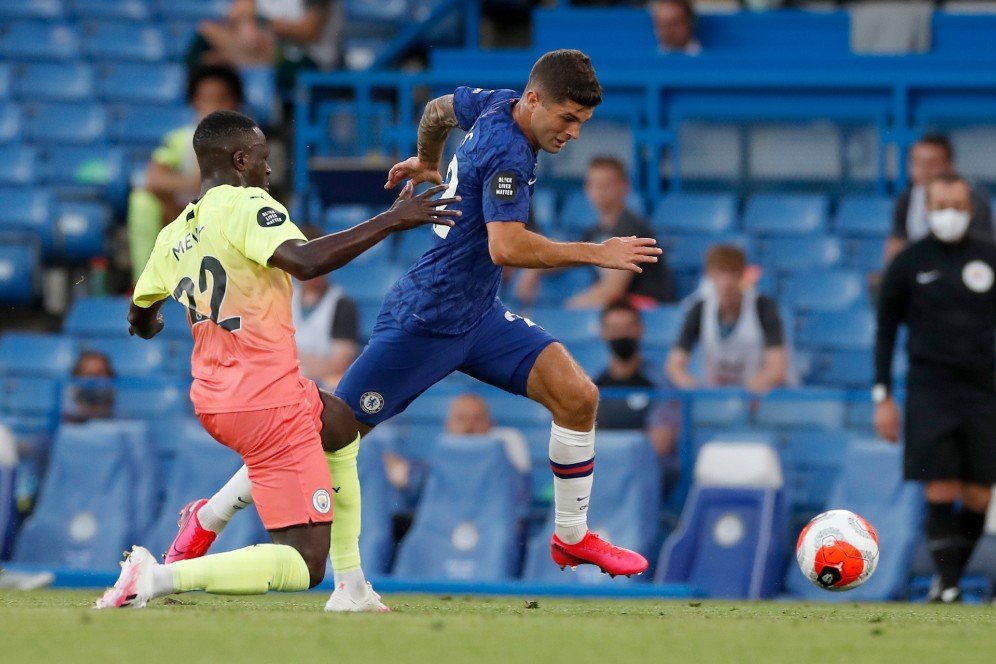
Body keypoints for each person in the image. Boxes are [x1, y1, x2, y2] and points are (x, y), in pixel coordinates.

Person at [176, 50, 659, 582]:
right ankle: (207, 516)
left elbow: (436, 110)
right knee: (323, 434)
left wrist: (427, 159)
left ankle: (571, 539)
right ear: (535, 100)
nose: (573, 133)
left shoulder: (494, 103)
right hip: (423, 320)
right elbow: (507, 247)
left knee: (578, 395)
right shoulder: (509, 156)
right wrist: (599, 252)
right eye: (567, 118)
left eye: (582, 123)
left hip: (478, 314)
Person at [94, 110, 460, 610]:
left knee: (340, 426)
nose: (269, 170)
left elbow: (138, 313)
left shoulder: (172, 233)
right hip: (265, 403)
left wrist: (149, 323)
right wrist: (392, 220)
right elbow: (307, 262)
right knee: (303, 564)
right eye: (264, 158)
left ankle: (351, 586)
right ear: (240, 159)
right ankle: (155, 578)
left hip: (214, 399)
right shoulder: (248, 206)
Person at [874, 172, 996, 604]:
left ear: (972, 208)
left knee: (980, 493)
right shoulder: (909, 262)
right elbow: (886, 330)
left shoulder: (990, 256)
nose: (950, 215)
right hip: (931, 389)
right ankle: (947, 585)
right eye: (941, 207)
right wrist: (883, 395)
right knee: (941, 485)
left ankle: (951, 579)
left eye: (957, 207)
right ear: (927, 210)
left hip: (985, 391)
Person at [127, 65, 244, 283]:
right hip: (185, 220)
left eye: (222, 99)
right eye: (207, 99)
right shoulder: (181, 140)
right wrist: (195, 183)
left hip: (227, 229)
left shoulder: (249, 143)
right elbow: (153, 178)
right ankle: (144, 288)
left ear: (235, 104)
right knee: (142, 201)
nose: (214, 107)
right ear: (195, 103)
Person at [517, 157, 674, 308]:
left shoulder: (631, 228)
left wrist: (569, 308)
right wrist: (536, 269)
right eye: (593, 184)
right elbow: (570, 257)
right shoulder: (595, 231)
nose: (599, 191)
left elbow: (612, 290)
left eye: (606, 184)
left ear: (625, 186)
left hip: (643, 309)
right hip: (614, 309)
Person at [666, 244, 791, 392]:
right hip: (716, 396)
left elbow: (776, 366)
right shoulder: (699, 308)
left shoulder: (763, 307)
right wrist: (690, 384)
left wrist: (752, 390)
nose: (727, 281)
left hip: (758, 396)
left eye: (733, 272)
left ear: (742, 274)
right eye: (721, 272)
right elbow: (675, 365)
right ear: (710, 275)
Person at [884, 134, 993, 266]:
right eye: (917, 163)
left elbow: (984, 249)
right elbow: (896, 242)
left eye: (932, 163)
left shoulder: (974, 198)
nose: (924, 170)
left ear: (950, 165)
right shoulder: (906, 198)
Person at [594, 300, 680, 459]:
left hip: (645, 476)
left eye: (628, 328)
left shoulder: (660, 385)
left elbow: (660, 445)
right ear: (603, 332)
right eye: (614, 329)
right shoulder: (592, 387)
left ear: (640, 329)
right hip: (601, 474)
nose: (622, 335)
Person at [291, 271, 359, 390]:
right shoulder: (283, 298)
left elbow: (340, 363)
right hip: (289, 382)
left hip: (321, 385)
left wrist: (293, 359)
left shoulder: (343, 304)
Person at [64, 351, 115, 423]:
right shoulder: (63, 402)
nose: (94, 379)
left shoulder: (122, 398)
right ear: (77, 376)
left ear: (110, 376)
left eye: (99, 374)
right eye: (88, 374)